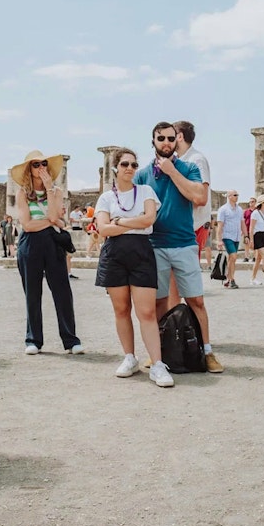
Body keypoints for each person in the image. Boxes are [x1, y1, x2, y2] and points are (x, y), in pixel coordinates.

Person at [133, 122, 223, 373]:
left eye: (170, 138)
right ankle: (159, 354)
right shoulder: (142, 175)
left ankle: (207, 351)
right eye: (160, 138)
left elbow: (200, 197)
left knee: (196, 300)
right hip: (155, 244)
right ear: (153, 141)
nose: (165, 142)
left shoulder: (189, 167)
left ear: (177, 140)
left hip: (184, 243)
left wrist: (172, 172)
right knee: (159, 302)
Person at [94, 148, 173, 387]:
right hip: (114, 254)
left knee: (146, 312)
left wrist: (118, 221)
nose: (130, 168)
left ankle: (157, 364)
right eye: (125, 164)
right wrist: (131, 223)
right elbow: (103, 230)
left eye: (134, 164)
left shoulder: (146, 191)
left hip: (141, 252)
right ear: (116, 167)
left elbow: (149, 220)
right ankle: (129, 357)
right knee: (121, 310)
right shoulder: (106, 197)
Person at [12, 150, 83, 355]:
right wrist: (54, 222)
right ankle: (33, 340)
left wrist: (50, 190)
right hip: (30, 243)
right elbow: (27, 224)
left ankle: (71, 340)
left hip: (53, 243)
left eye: (43, 164)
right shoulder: (22, 193)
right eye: (36, 165)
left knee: (62, 291)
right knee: (32, 293)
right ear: (29, 169)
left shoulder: (57, 191)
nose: (41, 168)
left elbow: (53, 215)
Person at [173, 120, 212, 278]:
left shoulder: (196, 160)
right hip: (184, 227)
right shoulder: (180, 160)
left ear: (180, 136)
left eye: (171, 136)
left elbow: (200, 197)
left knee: (187, 280)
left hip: (193, 226)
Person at [214, 191, 243, 289]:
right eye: (235, 195)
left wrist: (246, 236)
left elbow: (242, 223)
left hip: (237, 236)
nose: (237, 197)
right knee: (233, 256)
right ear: (229, 197)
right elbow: (220, 226)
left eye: (237, 195)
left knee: (232, 259)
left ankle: (229, 278)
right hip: (227, 236)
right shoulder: (223, 210)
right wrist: (219, 240)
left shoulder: (239, 209)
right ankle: (232, 279)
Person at [242, 197, 255, 262]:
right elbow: (243, 220)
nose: (251, 203)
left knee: (255, 243)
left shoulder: (257, 211)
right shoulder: (246, 211)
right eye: (250, 202)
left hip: (255, 230)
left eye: (252, 201)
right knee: (246, 243)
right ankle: (246, 257)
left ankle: (254, 256)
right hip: (247, 229)